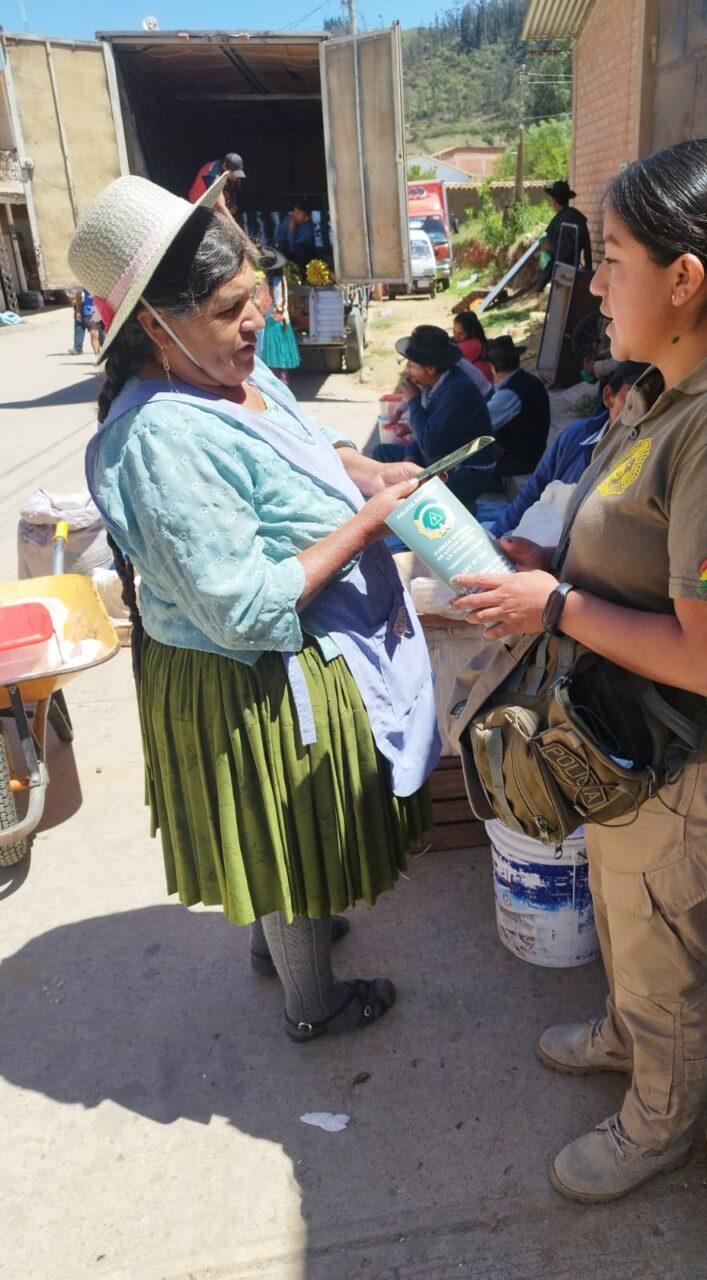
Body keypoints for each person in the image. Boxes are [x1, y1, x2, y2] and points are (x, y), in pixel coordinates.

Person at [452, 138, 707, 1203]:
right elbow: (655, 553)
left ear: (685, 276)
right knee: (626, 910)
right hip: (633, 734)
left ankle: (663, 1118)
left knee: (669, 942)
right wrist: (551, 561)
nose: (594, 279)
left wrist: (557, 605)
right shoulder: (679, 385)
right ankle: (628, 1032)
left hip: (693, 750)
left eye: (611, 256)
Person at [69, 173, 439, 1042]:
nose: (257, 323)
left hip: (293, 649)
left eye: (257, 298)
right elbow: (242, 605)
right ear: (156, 326)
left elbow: (302, 440)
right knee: (288, 838)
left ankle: (284, 943)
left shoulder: (227, 368)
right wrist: (369, 523)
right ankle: (314, 1003)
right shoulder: (159, 438)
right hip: (249, 671)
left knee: (290, 842)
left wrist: (368, 471)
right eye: (233, 308)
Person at [486, 360, 653, 539]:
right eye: (630, 399)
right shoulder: (577, 434)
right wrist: (496, 535)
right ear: (608, 397)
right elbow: (535, 489)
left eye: (652, 401)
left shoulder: (650, 456)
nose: (642, 410)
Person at [372, 325, 494, 511]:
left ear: (429, 368)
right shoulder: (435, 384)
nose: (408, 370)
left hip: (466, 471)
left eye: (412, 365)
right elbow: (424, 436)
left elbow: (430, 445)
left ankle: (457, 505)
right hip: (441, 458)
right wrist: (410, 455)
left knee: (410, 489)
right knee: (382, 453)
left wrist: (413, 400)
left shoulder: (456, 391)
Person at [485, 335, 551, 478]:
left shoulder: (510, 393)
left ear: (494, 368)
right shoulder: (529, 380)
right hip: (530, 453)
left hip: (518, 460)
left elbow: (482, 425)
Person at [537, 179, 592, 289]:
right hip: (576, 272)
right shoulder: (579, 218)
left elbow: (556, 249)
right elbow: (587, 248)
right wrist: (588, 271)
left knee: (541, 285)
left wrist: (547, 247)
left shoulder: (557, 222)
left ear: (554, 201)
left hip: (561, 273)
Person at [257, 249, 301, 384]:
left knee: (267, 359)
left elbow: (266, 304)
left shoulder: (267, 282)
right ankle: (282, 384)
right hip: (281, 322)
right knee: (279, 359)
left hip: (270, 323)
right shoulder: (281, 279)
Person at [188, 152, 245, 217]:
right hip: (198, 205)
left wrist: (232, 204)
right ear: (224, 167)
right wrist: (236, 227)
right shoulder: (212, 175)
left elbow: (234, 190)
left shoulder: (229, 167)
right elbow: (221, 207)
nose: (236, 177)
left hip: (215, 199)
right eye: (235, 173)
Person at [453, 311, 494, 384]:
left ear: (471, 332)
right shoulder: (478, 341)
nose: (456, 336)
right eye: (454, 331)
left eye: (460, 334)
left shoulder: (469, 346)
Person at [277, 200, 316, 274]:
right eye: (294, 212)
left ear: (306, 218)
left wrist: (291, 231)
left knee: (302, 249)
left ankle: (302, 277)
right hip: (288, 251)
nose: (294, 215)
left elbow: (294, 248)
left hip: (301, 255)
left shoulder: (308, 229)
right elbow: (280, 237)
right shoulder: (288, 219)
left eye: (298, 213)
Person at [69, 288, 102, 356]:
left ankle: (104, 352)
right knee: (92, 333)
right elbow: (76, 297)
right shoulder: (83, 288)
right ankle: (96, 354)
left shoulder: (101, 286)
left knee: (102, 334)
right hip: (88, 313)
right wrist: (78, 311)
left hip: (99, 312)